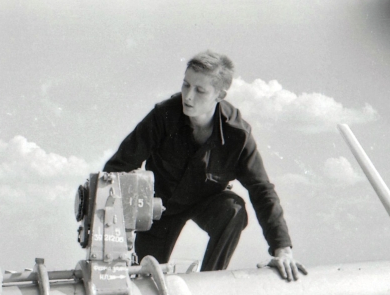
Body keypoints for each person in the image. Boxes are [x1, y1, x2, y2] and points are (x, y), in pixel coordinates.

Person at [104, 50, 307, 281]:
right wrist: (121, 225)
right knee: (146, 278)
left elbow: (262, 189)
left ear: (220, 95)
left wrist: (283, 250)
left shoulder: (238, 134)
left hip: (207, 202)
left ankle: (210, 281)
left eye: (200, 90)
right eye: (186, 85)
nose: (188, 96)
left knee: (234, 210)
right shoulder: (163, 116)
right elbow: (116, 169)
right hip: (160, 207)